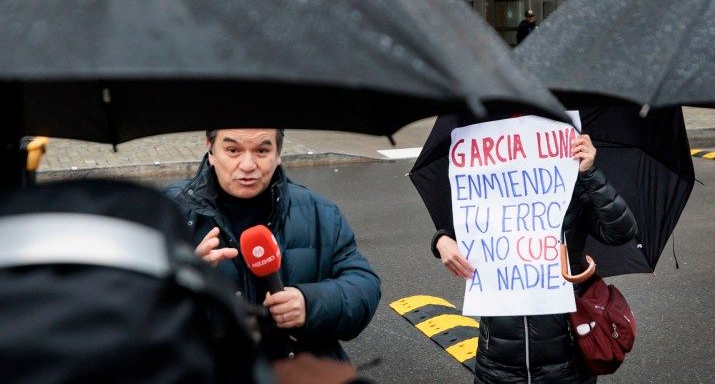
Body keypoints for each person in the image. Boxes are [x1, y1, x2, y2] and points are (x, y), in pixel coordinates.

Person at [432, 133, 637, 384]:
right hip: (498, 357)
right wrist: (441, 240)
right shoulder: (485, 184)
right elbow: (461, 224)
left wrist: (590, 173)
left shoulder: (571, 186)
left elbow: (621, 231)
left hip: (567, 353)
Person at [165, 128, 381, 363]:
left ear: (278, 153)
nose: (247, 165)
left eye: (262, 150)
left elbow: (364, 286)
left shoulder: (320, 212)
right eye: (233, 150)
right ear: (211, 149)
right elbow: (132, 312)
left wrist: (310, 303)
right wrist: (180, 279)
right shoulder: (168, 211)